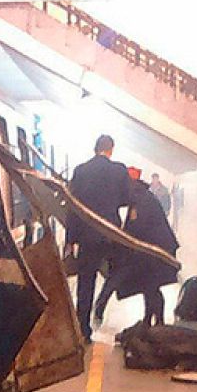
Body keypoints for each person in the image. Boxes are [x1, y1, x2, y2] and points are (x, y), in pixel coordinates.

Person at [65, 134, 133, 337]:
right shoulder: (119, 170)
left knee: (86, 280)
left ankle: (83, 328)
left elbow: (73, 207)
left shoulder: (81, 171)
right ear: (110, 150)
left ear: (95, 149)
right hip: (111, 233)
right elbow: (127, 199)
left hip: (87, 234)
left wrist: (70, 239)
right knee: (120, 269)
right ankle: (101, 303)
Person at [97, 167, 180, 325]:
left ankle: (157, 322)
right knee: (149, 285)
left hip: (157, 250)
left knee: (150, 284)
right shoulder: (140, 196)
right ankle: (151, 320)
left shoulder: (140, 201)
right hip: (154, 248)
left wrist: (119, 243)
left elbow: (136, 228)